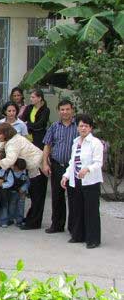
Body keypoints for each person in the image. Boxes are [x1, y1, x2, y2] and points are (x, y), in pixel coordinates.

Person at [0, 123, 46, 230]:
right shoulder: (10, 140)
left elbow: (9, 161)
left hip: (38, 167)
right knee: (34, 195)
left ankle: (34, 223)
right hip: (34, 168)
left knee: (37, 197)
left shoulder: (13, 143)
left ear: (5, 133)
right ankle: (31, 219)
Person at [61, 114, 103, 249]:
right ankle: (78, 235)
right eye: (81, 125)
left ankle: (93, 239)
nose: (83, 128)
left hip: (90, 181)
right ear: (77, 127)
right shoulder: (75, 142)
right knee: (77, 208)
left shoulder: (95, 143)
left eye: (86, 125)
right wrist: (66, 176)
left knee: (91, 211)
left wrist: (87, 169)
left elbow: (98, 163)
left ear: (90, 128)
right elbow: (72, 162)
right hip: (76, 180)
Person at [42, 99, 77, 234]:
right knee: (57, 197)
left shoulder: (78, 127)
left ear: (72, 110)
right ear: (58, 111)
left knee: (73, 197)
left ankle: (74, 228)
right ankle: (57, 225)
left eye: (67, 109)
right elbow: (47, 145)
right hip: (57, 165)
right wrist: (45, 162)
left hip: (73, 167)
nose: (65, 112)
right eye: (62, 109)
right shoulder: (54, 126)